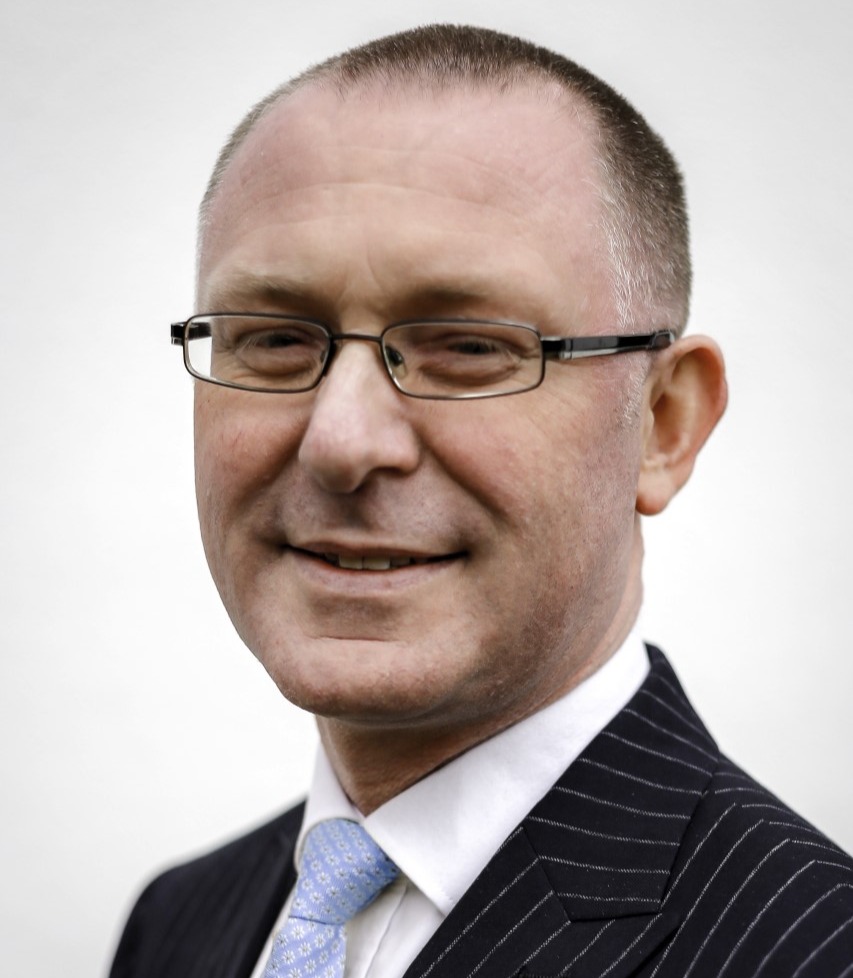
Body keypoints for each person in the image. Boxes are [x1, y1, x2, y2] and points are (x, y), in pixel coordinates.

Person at [109, 24, 853, 978]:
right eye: (275, 339)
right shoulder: (179, 922)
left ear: (663, 424)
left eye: (467, 347)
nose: (341, 440)